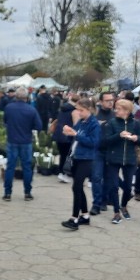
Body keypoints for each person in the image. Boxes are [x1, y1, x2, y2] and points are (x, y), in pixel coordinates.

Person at [101, 99, 140, 224]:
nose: (116, 110)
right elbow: (106, 140)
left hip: (130, 159)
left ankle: (123, 206)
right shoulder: (111, 123)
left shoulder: (136, 123)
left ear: (127, 110)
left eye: (119, 109)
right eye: (116, 108)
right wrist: (118, 135)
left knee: (127, 188)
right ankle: (116, 212)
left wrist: (136, 138)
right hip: (113, 158)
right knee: (114, 186)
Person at [59, 98, 101, 230]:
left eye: (81, 110)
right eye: (77, 109)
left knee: (76, 187)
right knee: (77, 187)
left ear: (89, 110)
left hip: (87, 159)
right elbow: (74, 132)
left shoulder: (94, 124)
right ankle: (85, 216)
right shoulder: (82, 122)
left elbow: (93, 142)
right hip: (77, 156)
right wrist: (68, 131)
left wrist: (75, 134)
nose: (78, 112)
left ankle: (74, 218)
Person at [2, 87, 42, 201]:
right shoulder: (31, 110)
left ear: (16, 96)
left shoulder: (9, 108)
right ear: (26, 97)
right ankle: (27, 193)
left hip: (12, 140)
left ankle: (7, 193)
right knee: (27, 168)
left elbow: (5, 121)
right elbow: (38, 126)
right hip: (26, 141)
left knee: (10, 167)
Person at [91, 91, 116, 215]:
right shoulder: (95, 115)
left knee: (108, 178)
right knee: (96, 177)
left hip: (111, 152)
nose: (110, 102)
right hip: (97, 151)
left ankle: (104, 201)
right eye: (107, 100)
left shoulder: (115, 115)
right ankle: (96, 203)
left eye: (112, 100)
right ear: (100, 102)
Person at [53, 93, 78, 182]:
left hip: (59, 133)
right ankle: (65, 173)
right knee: (68, 155)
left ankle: (61, 172)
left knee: (62, 154)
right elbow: (76, 124)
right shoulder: (74, 111)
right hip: (68, 135)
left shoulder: (62, 108)